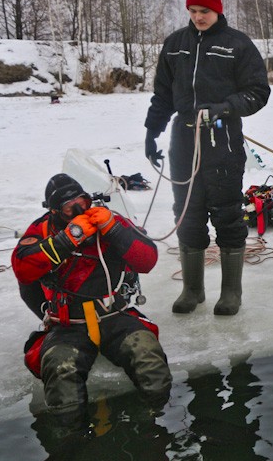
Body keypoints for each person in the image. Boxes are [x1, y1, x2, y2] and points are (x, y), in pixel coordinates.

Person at [144, 0, 271, 315]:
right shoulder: (175, 45)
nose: (199, 17)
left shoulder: (237, 45)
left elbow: (258, 92)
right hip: (184, 140)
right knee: (187, 214)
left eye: (205, 11)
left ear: (218, 10)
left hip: (222, 141)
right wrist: (151, 131)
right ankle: (193, 289)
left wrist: (225, 107)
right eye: (194, 11)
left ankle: (231, 293)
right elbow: (163, 95)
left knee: (227, 214)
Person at [12, 173, 172, 432]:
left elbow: (148, 260)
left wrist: (114, 228)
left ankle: (150, 426)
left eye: (83, 202)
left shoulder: (109, 220)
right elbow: (23, 268)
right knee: (61, 376)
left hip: (114, 316)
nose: (79, 210)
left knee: (150, 361)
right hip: (68, 325)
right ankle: (73, 440)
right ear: (54, 211)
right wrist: (66, 239)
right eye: (68, 207)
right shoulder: (43, 230)